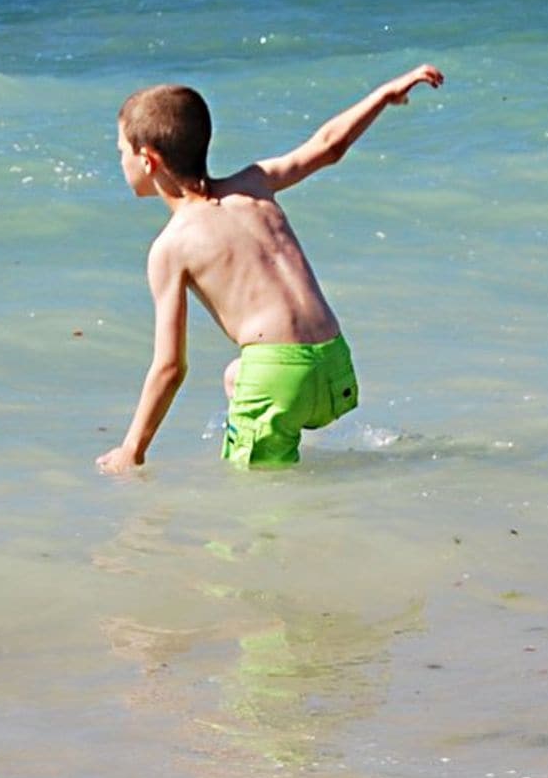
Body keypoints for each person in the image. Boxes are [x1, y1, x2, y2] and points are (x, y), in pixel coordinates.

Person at [95, 63, 445, 475]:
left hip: (280, 379)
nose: (119, 159)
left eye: (121, 150)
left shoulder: (171, 247)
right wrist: (384, 96)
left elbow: (170, 366)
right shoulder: (254, 184)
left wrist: (131, 450)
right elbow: (329, 146)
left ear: (148, 159)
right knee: (236, 376)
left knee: (252, 513)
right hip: (336, 367)